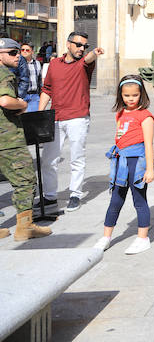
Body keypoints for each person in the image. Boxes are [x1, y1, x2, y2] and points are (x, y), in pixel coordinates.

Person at [38, 31, 104, 212]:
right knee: (48, 160)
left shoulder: (84, 64)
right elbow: (47, 89)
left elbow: (89, 58)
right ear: (68, 44)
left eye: (85, 46)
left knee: (77, 158)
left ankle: (75, 194)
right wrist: (39, 113)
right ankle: (49, 196)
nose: (82, 49)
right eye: (78, 45)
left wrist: (95, 53)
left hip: (78, 117)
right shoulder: (53, 64)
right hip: (56, 118)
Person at [92, 75, 154, 254]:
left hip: (137, 163)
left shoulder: (146, 116)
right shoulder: (120, 113)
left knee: (139, 200)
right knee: (115, 200)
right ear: (121, 95)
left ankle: (143, 238)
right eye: (127, 96)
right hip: (121, 163)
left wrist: (149, 169)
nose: (131, 99)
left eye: (135, 95)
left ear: (141, 94)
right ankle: (106, 237)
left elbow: (149, 144)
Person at [0, 37, 51, 241]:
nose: (18, 56)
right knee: (26, 180)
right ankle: (25, 227)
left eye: (19, 51)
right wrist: (21, 104)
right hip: (8, 138)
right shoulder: (3, 73)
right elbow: (4, 100)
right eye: (13, 53)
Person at [17, 42, 42, 112]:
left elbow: (39, 80)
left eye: (27, 50)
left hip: (34, 95)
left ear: (32, 52)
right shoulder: (16, 63)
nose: (24, 51)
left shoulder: (37, 63)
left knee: (33, 118)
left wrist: (41, 95)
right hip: (21, 96)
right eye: (22, 50)